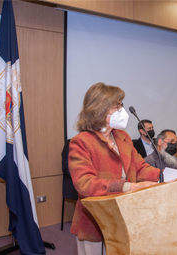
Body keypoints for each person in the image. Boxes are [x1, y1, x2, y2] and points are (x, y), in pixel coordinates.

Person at [68, 82, 161, 255]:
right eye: (117, 106)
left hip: (126, 215)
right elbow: (85, 184)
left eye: (121, 105)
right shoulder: (82, 141)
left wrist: (165, 176)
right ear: (100, 109)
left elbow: (140, 168)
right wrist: (127, 186)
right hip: (95, 221)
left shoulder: (123, 137)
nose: (122, 111)